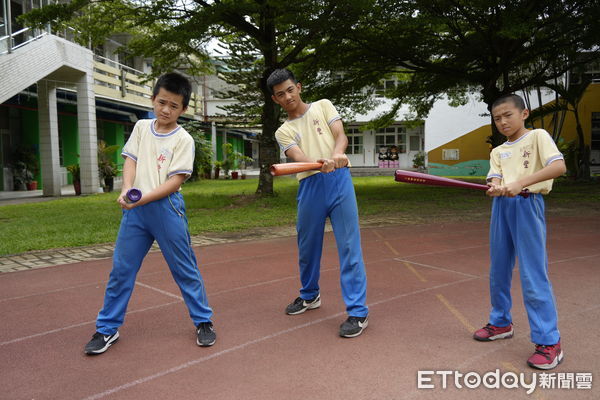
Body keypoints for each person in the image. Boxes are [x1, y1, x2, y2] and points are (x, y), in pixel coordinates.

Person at [84, 72, 216, 355]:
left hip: (166, 209)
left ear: (183, 109)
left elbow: (174, 182)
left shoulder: (184, 139)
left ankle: (203, 321)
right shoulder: (142, 128)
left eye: (174, 106)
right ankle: (107, 328)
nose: (166, 110)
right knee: (121, 270)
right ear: (153, 98)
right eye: (162, 102)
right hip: (135, 212)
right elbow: (130, 160)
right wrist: (127, 190)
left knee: (184, 268)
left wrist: (141, 197)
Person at [267, 68, 369, 338]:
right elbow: (299, 157)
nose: (287, 96)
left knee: (349, 246)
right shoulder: (283, 131)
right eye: (280, 94)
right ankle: (310, 295)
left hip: (339, 181)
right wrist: (318, 163)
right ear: (275, 99)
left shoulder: (323, 106)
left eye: (290, 90)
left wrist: (335, 156)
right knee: (307, 246)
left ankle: (358, 311)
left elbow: (341, 136)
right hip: (310, 185)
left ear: (298, 86)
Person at [474, 93, 566, 370]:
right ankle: (501, 322)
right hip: (502, 208)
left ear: (524, 113)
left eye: (507, 115)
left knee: (532, 273)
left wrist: (521, 184)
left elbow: (558, 166)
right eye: (497, 118)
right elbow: (496, 175)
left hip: (528, 204)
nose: (502, 122)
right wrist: (496, 185)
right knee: (498, 270)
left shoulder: (537, 136)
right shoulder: (497, 151)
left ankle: (549, 341)